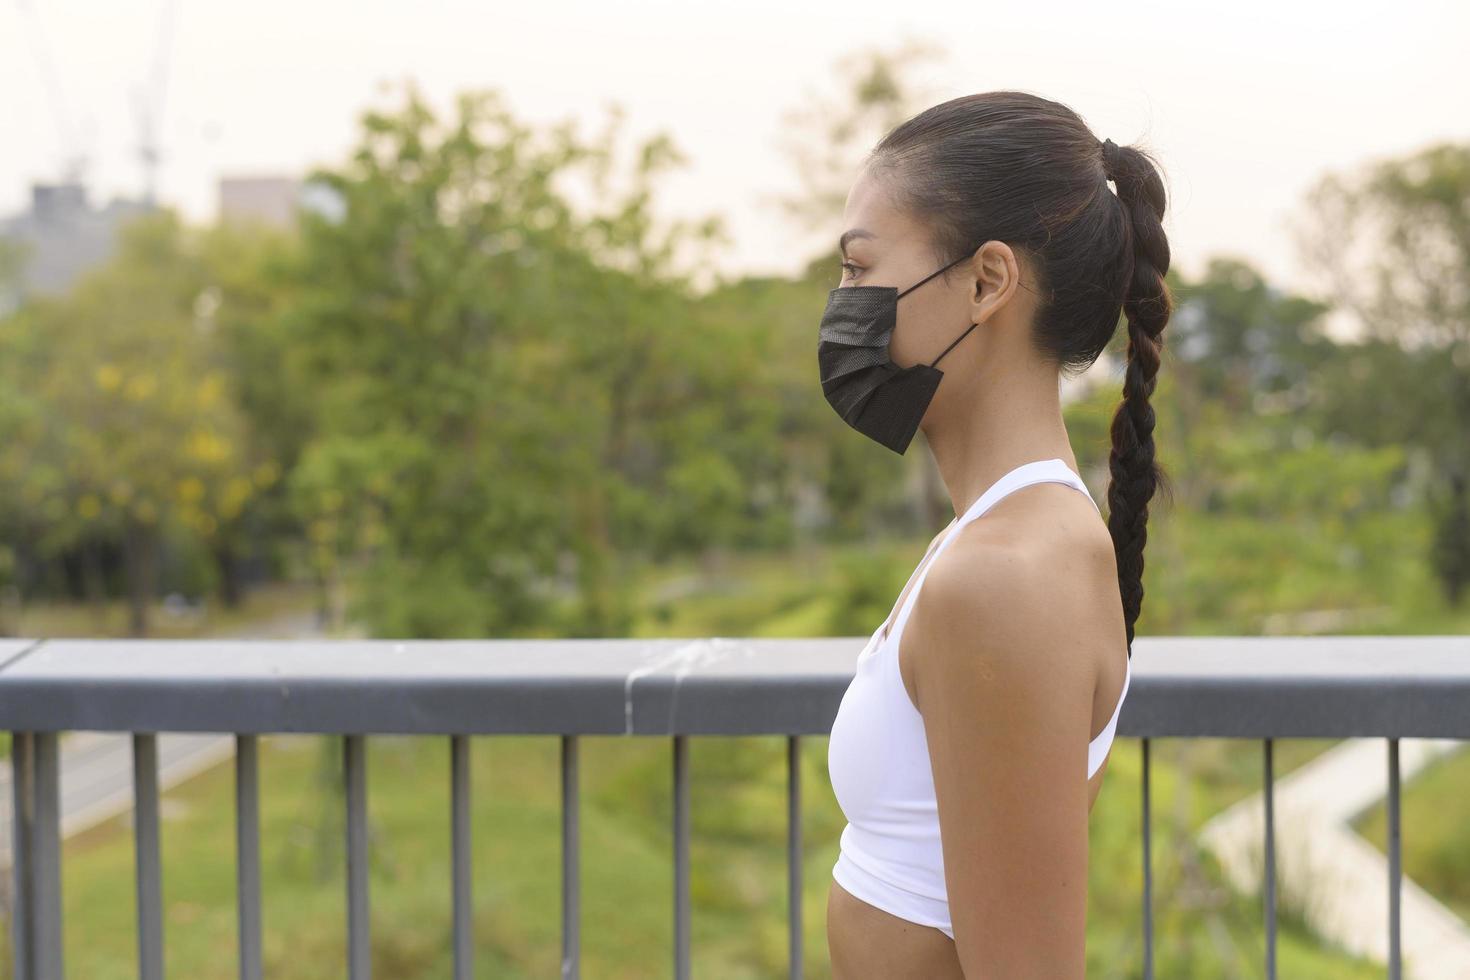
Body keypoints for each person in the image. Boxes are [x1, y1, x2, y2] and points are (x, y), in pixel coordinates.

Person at [822, 90, 1174, 979]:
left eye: (860, 269)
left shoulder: (1008, 578)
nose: (842, 305)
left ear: (986, 282)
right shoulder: (998, 540)